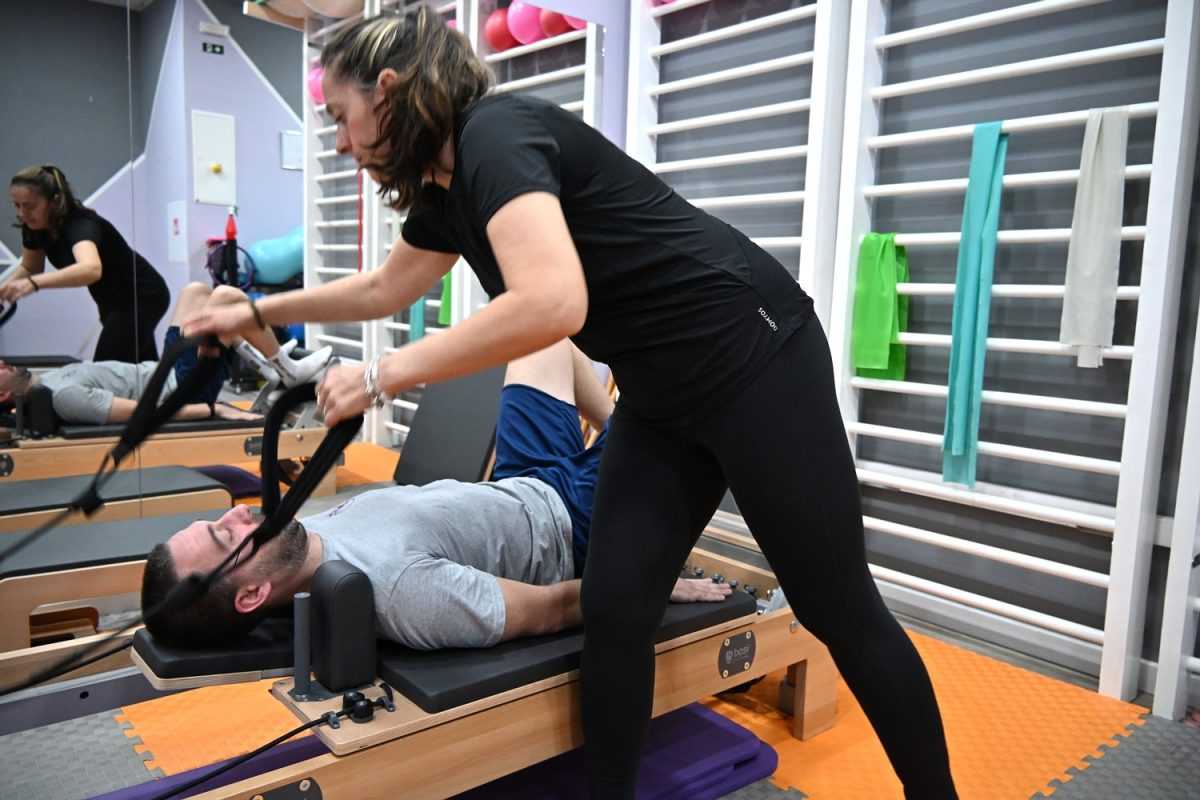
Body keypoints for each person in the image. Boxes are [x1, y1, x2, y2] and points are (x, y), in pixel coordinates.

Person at [183, 9, 959, 798]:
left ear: (387, 91)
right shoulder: (446, 192)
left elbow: (553, 301)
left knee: (838, 610)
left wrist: (383, 376)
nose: (342, 142)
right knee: (617, 612)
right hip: (659, 398)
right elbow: (384, 288)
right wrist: (255, 311)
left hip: (755, 359)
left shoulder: (496, 138)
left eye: (340, 117)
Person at [141, 341, 732, 649]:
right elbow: (549, 610)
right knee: (690, 375)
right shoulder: (398, 590)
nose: (239, 514)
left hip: (520, 482)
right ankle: (632, 459)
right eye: (224, 535)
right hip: (573, 524)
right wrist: (641, 581)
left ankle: (621, 449)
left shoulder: (297, 546)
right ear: (252, 596)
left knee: (544, 341)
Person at [0, 282, 329, 426]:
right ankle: (286, 368)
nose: (2, 362)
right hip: (183, 388)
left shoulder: (48, 379)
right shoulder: (64, 397)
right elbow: (146, 413)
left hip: (167, 368)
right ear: (2, 395)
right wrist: (216, 409)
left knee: (194, 292)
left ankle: (264, 361)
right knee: (227, 298)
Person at [4, 164, 171, 363]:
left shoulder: (80, 224)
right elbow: (30, 267)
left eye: (29, 206)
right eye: (17, 205)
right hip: (110, 301)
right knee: (138, 366)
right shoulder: (34, 227)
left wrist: (34, 284)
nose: (22, 213)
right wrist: (3, 290)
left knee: (105, 369)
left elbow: (91, 269)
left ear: (54, 201)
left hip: (142, 295)